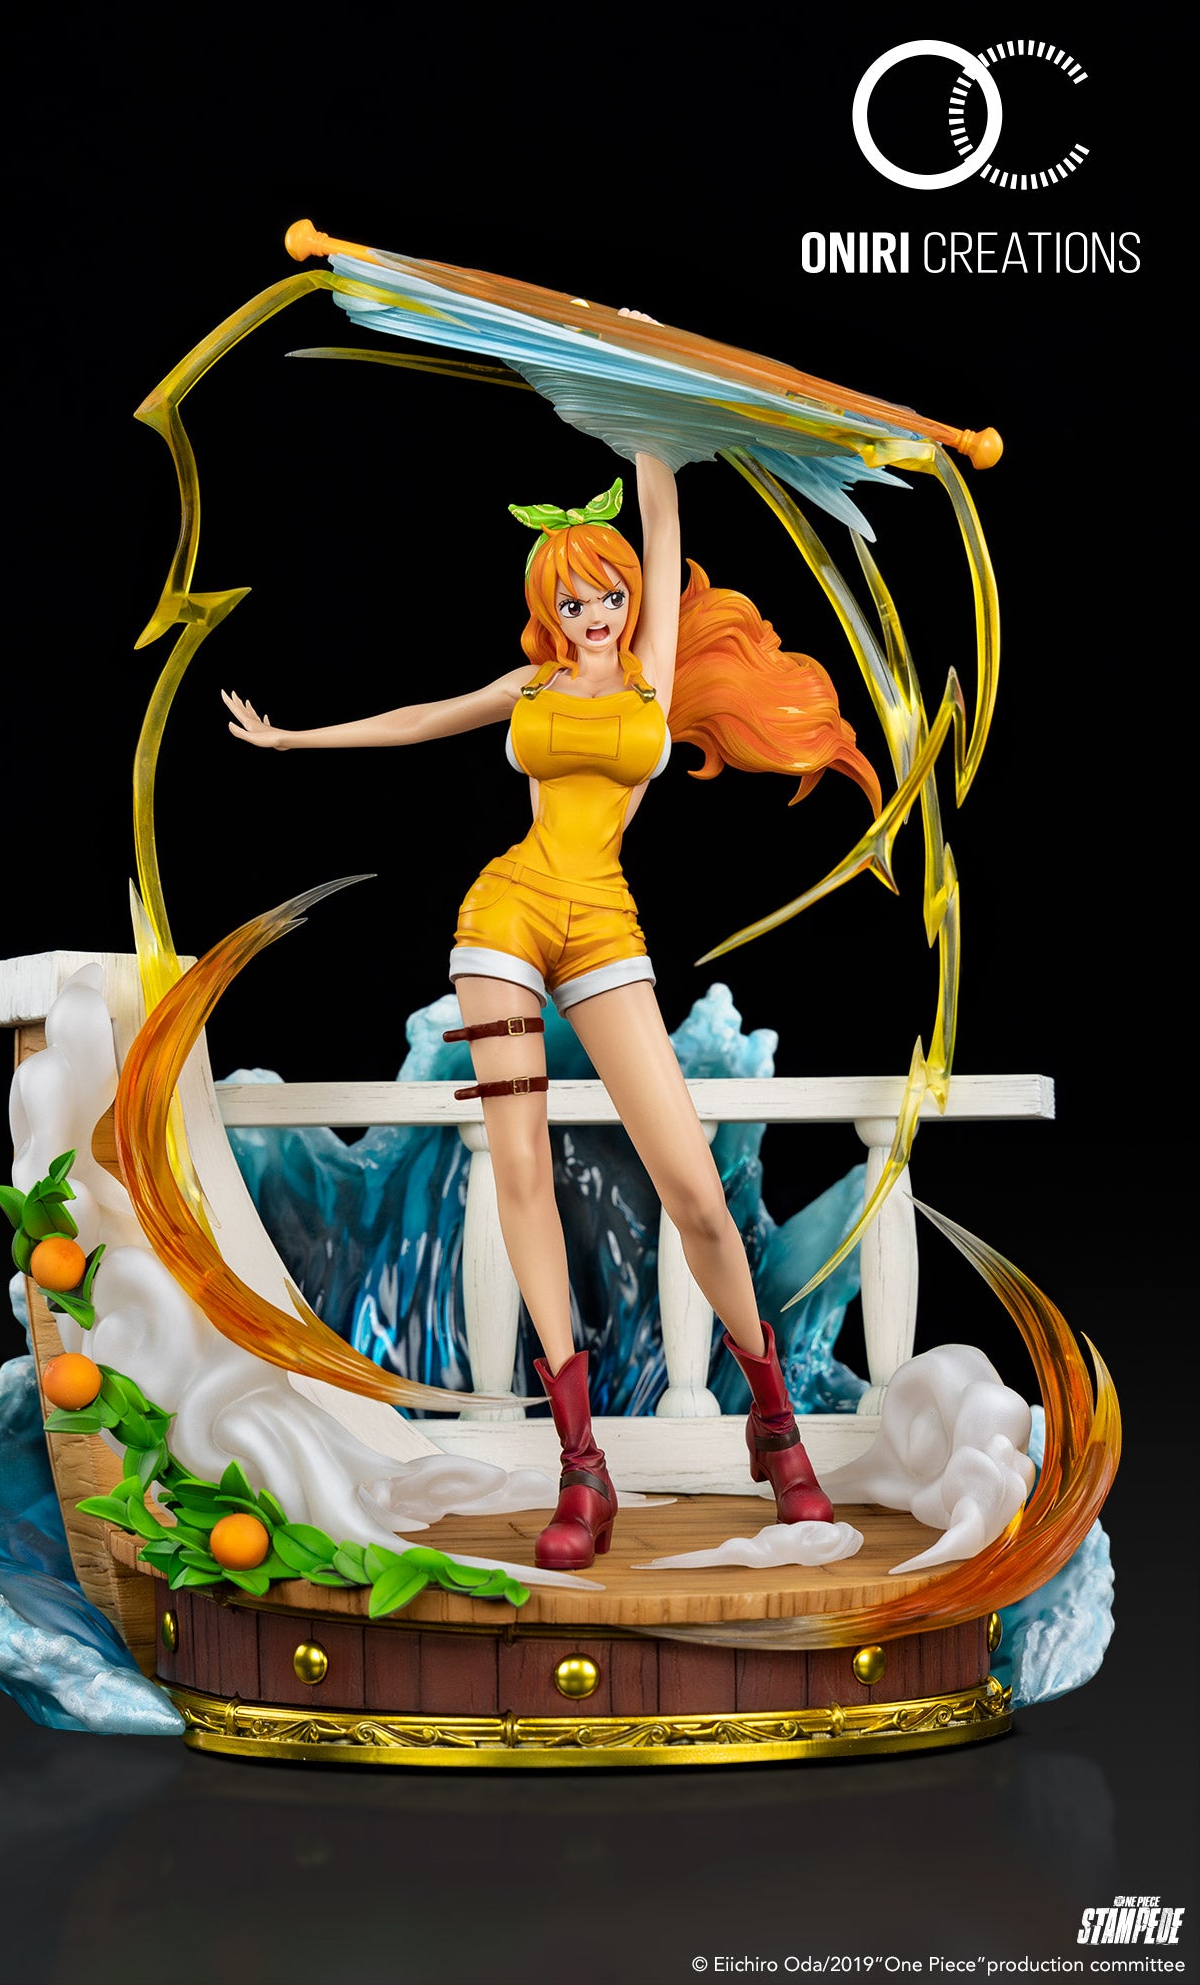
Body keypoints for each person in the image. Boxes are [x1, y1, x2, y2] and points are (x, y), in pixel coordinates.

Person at [224, 450, 879, 1571]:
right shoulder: (527, 689)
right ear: (549, 613)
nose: (592, 616)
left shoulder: (650, 680)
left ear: (631, 598)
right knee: (519, 1168)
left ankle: (775, 1426)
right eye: (571, 603)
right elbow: (422, 718)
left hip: (603, 925)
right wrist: (296, 738)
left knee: (692, 1189)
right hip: (505, 915)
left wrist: (646, 432)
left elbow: (662, 516)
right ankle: (582, 1465)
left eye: (607, 595)